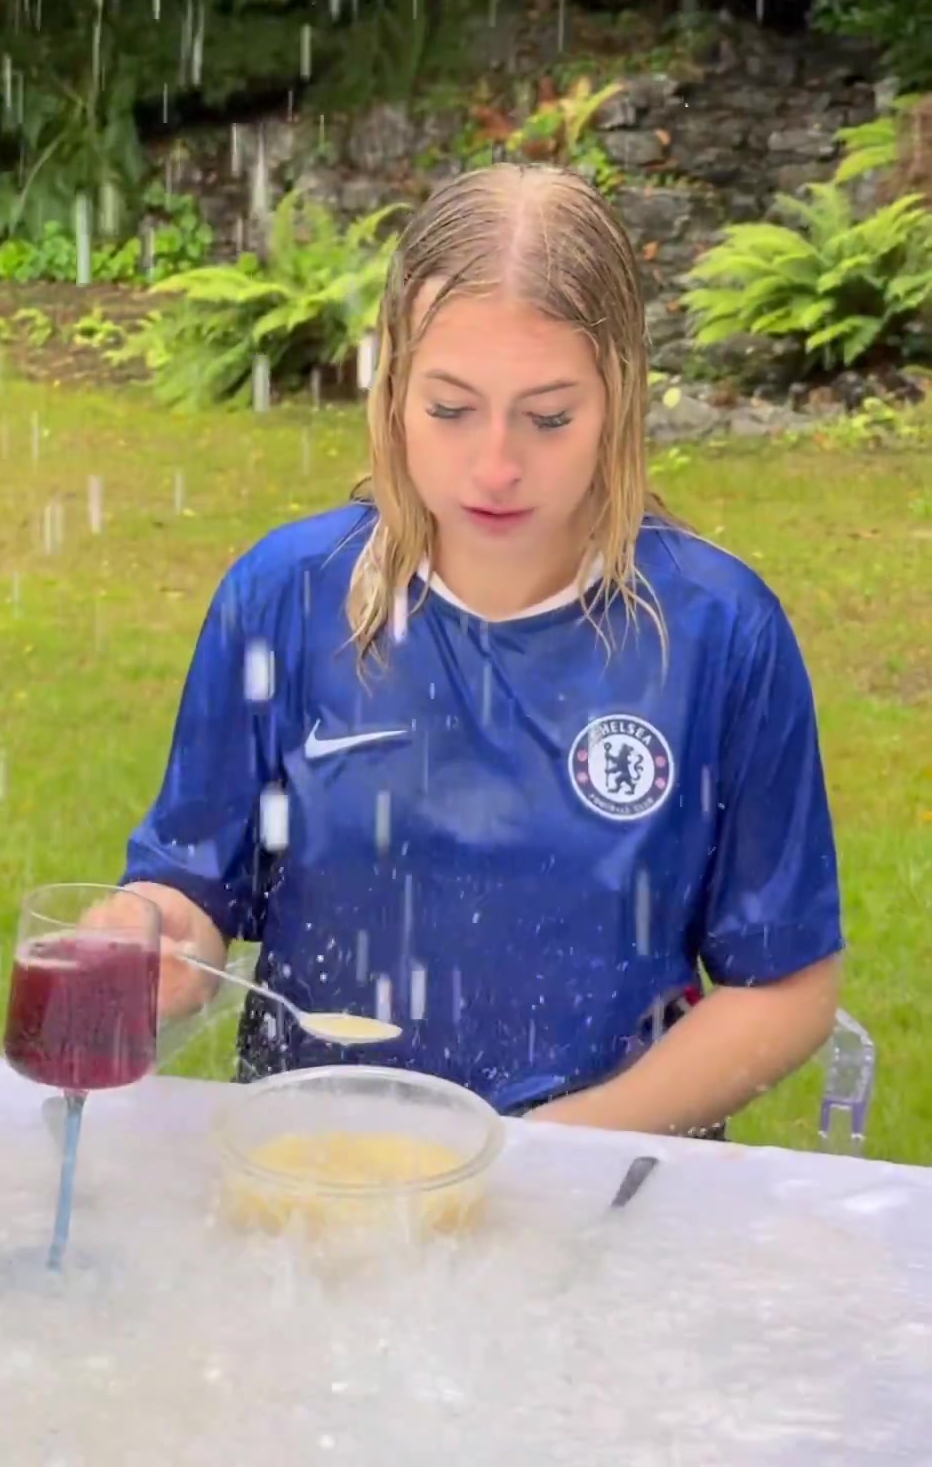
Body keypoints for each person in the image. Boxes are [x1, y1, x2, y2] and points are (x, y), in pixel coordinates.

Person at [114, 163, 843, 1137]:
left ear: (620, 399)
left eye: (549, 417)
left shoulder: (718, 634)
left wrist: (549, 1153)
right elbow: (193, 888)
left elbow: (786, 987)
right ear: (393, 389)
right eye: (451, 409)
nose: (496, 465)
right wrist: (155, 932)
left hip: (603, 1192)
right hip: (316, 1175)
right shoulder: (286, 598)